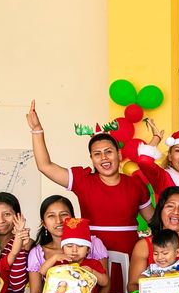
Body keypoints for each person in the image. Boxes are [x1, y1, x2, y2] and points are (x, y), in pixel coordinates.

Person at [26, 100, 154, 254]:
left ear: (119, 155)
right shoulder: (83, 180)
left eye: (108, 152)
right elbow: (45, 166)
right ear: (92, 159)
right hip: (92, 257)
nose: (104, 158)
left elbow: (154, 221)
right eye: (97, 154)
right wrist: (37, 131)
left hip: (130, 258)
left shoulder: (135, 184)